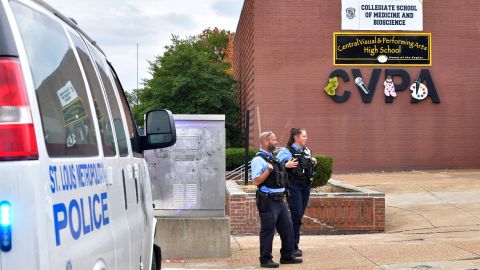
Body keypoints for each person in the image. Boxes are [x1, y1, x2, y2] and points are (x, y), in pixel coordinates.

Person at [251, 131, 303, 268]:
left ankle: (287, 256)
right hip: (268, 200)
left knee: (288, 228)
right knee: (268, 230)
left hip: (280, 200)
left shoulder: (272, 158)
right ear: (266, 142)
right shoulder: (259, 160)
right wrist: (267, 170)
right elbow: (255, 181)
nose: (276, 142)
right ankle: (265, 259)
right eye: (273, 140)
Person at [276, 128, 317, 258]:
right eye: (304, 136)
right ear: (296, 137)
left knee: (298, 216)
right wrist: (285, 165)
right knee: (296, 215)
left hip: (305, 186)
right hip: (293, 186)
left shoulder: (307, 151)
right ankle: (290, 247)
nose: (306, 138)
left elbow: (306, 166)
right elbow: (275, 166)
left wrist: (313, 162)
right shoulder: (286, 151)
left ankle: (294, 245)